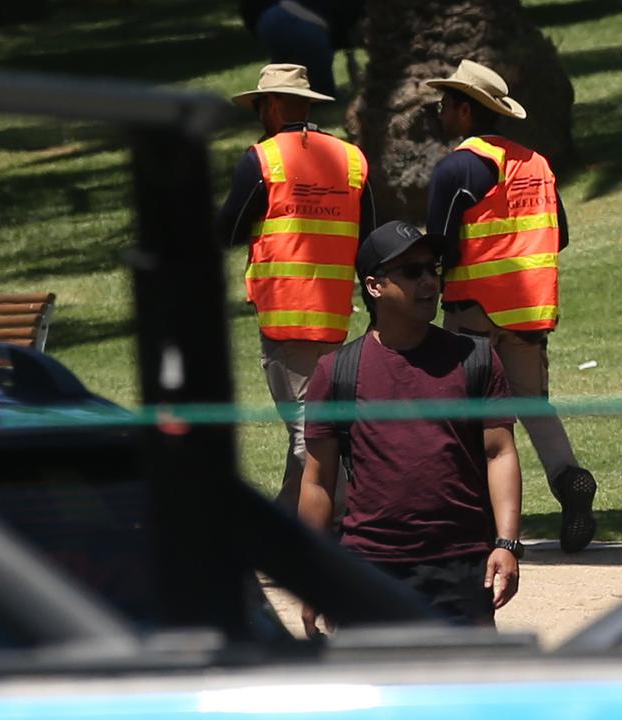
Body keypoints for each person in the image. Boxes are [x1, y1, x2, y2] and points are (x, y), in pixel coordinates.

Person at [298, 220, 523, 632]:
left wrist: (506, 544)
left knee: (466, 694)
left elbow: (500, 452)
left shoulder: (474, 358)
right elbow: (316, 481)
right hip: (368, 569)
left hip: (460, 566)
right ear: (374, 285)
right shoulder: (337, 372)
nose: (430, 282)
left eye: (432, 268)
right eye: (412, 271)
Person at [423, 59, 597, 554]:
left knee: (475, 417)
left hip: (473, 310)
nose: (438, 111)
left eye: (444, 103)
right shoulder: (535, 163)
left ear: (464, 110)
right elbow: (557, 234)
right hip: (528, 312)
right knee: (532, 405)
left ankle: (489, 526)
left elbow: (441, 246)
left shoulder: (458, 166)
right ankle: (569, 479)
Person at [219, 63, 376, 511]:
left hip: (285, 318)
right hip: (335, 318)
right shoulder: (351, 159)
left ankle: (354, 529)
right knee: (312, 428)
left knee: (310, 438)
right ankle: (284, 528)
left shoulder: (264, 158)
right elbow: (373, 240)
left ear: (269, 106)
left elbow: (227, 230)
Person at [239, 0, 367, 98]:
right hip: (303, 26)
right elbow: (357, 34)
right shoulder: (364, 9)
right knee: (323, 94)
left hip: (268, 19)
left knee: (285, 75)